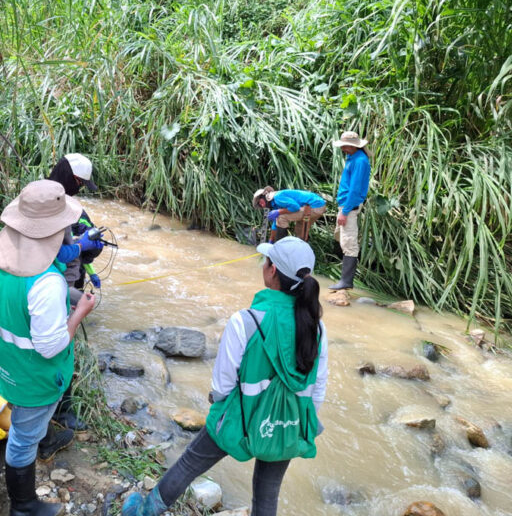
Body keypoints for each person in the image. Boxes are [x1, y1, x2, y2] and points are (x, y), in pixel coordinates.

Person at [122, 237, 329, 516]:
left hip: (239, 420)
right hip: (288, 423)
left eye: (266, 260)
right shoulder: (317, 328)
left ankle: (144, 511)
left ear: (271, 270)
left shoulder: (246, 321)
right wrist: (293, 421)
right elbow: (317, 389)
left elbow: (222, 386)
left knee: (189, 464)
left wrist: (221, 418)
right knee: (267, 497)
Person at [0, 180, 102, 516]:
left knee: (24, 423)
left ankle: (31, 456)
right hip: (35, 377)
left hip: (3, 363)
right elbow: (52, 346)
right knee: (23, 438)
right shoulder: (46, 283)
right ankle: (23, 504)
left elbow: (11, 304)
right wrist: (78, 313)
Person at [47, 153, 104, 434]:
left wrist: (89, 269)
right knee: (62, 347)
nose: (80, 189)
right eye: (80, 183)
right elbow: (60, 253)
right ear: (72, 178)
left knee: (51, 345)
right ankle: (62, 411)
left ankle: (54, 405)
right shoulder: (57, 207)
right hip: (56, 285)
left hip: (52, 283)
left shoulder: (46, 196)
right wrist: (83, 246)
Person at [329, 131, 371, 290]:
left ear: (353, 146)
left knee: (349, 243)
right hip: (347, 204)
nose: (343, 148)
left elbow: (354, 189)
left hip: (349, 206)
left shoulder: (360, 161)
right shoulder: (353, 158)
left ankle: (346, 282)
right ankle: (343, 277)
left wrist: (344, 211)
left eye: (345, 146)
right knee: (341, 236)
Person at [252, 187, 327, 242]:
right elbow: (275, 224)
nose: (261, 205)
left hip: (315, 206)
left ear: (265, 196)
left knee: (281, 217)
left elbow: (295, 207)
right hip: (316, 205)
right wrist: (271, 239)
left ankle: (281, 247)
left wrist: (279, 212)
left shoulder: (278, 197)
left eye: (259, 201)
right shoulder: (275, 204)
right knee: (300, 230)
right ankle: (300, 249)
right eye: (259, 205)